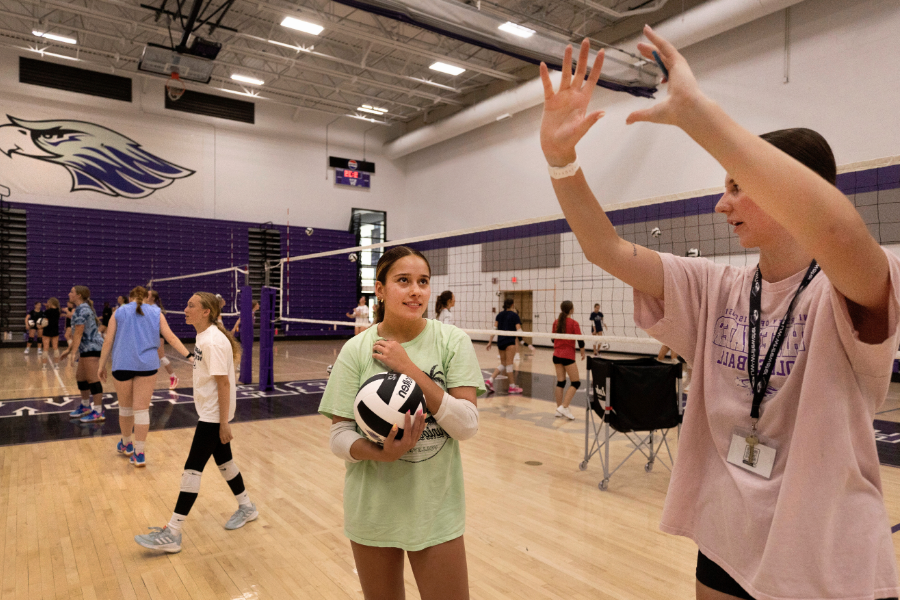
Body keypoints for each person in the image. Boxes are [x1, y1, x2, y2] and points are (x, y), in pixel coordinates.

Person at [539, 27, 900, 600]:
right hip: (727, 535)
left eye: (737, 185)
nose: (720, 202)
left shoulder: (852, 286)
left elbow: (835, 229)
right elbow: (605, 249)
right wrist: (561, 162)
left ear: (789, 189)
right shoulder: (715, 286)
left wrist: (699, 116)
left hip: (824, 551)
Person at [319, 245, 485, 600]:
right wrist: (381, 454)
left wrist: (408, 368)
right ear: (380, 289)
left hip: (435, 509)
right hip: (373, 509)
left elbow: (467, 426)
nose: (416, 291)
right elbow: (338, 435)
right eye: (404, 281)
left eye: (423, 281)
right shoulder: (356, 350)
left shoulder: (451, 341)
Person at [135, 292, 256, 553]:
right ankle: (247, 506)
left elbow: (224, 384)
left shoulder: (212, 341)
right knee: (225, 463)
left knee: (192, 470)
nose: (185, 309)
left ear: (206, 312)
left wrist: (223, 423)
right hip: (211, 412)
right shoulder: (204, 336)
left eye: (191, 305)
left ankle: (173, 532)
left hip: (213, 415)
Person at [98, 286, 192, 467]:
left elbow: (108, 341)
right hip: (147, 366)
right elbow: (171, 338)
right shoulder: (157, 313)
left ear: (130, 297)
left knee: (125, 409)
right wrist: (189, 356)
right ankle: (139, 453)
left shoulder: (119, 312)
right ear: (147, 298)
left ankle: (126, 444)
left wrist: (101, 365)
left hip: (123, 364)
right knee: (141, 410)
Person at [59, 286, 106, 422]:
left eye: (72, 292)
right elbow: (77, 334)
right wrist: (69, 350)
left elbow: (79, 333)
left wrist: (73, 353)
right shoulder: (81, 308)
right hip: (86, 348)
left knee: (93, 379)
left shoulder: (82, 310)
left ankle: (98, 412)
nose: (69, 293)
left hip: (92, 347)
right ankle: (85, 407)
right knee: (81, 377)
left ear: (78, 295)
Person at [552, 301, 585, 420]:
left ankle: (559, 409)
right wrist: (582, 351)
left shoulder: (556, 322)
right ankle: (564, 407)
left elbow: (552, 339)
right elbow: (580, 339)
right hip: (567, 356)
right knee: (576, 383)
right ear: (571, 310)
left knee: (560, 382)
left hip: (556, 355)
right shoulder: (574, 323)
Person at [484, 298, 523, 394]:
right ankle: (512, 387)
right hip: (510, 342)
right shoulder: (515, 315)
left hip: (500, 342)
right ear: (512, 305)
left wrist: (490, 341)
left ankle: (490, 380)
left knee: (503, 364)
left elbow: (494, 329)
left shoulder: (499, 315)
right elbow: (519, 330)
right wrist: (524, 337)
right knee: (509, 365)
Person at [147, 290, 180, 390]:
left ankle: (173, 377)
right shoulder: (146, 307)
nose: (145, 296)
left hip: (157, 334)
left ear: (152, 298)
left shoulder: (155, 309)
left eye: (147, 295)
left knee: (161, 357)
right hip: (149, 335)